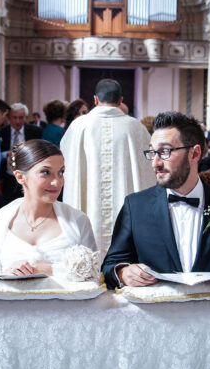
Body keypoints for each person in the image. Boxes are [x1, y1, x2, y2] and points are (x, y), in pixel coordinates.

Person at [101, 111, 210, 289]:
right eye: (153, 152)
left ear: (194, 154)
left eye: (165, 151)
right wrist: (124, 273)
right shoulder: (136, 206)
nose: (155, 163)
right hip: (156, 313)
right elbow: (110, 265)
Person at [60, 79, 155, 258]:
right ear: (121, 100)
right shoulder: (135, 127)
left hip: (88, 204)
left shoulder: (79, 126)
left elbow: (65, 160)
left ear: (95, 99)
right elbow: (147, 168)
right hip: (124, 204)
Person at [0, 139, 97, 277]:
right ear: (20, 177)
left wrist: (45, 270)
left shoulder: (78, 221)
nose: (57, 182)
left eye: (61, 172)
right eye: (45, 172)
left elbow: (94, 274)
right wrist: (6, 273)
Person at [0, 103, 42, 204]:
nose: (17, 121)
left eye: (21, 118)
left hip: (28, 177)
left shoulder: (36, 131)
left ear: (26, 117)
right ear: (9, 118)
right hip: (8, 177)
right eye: (14, 118)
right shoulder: (1, 132)